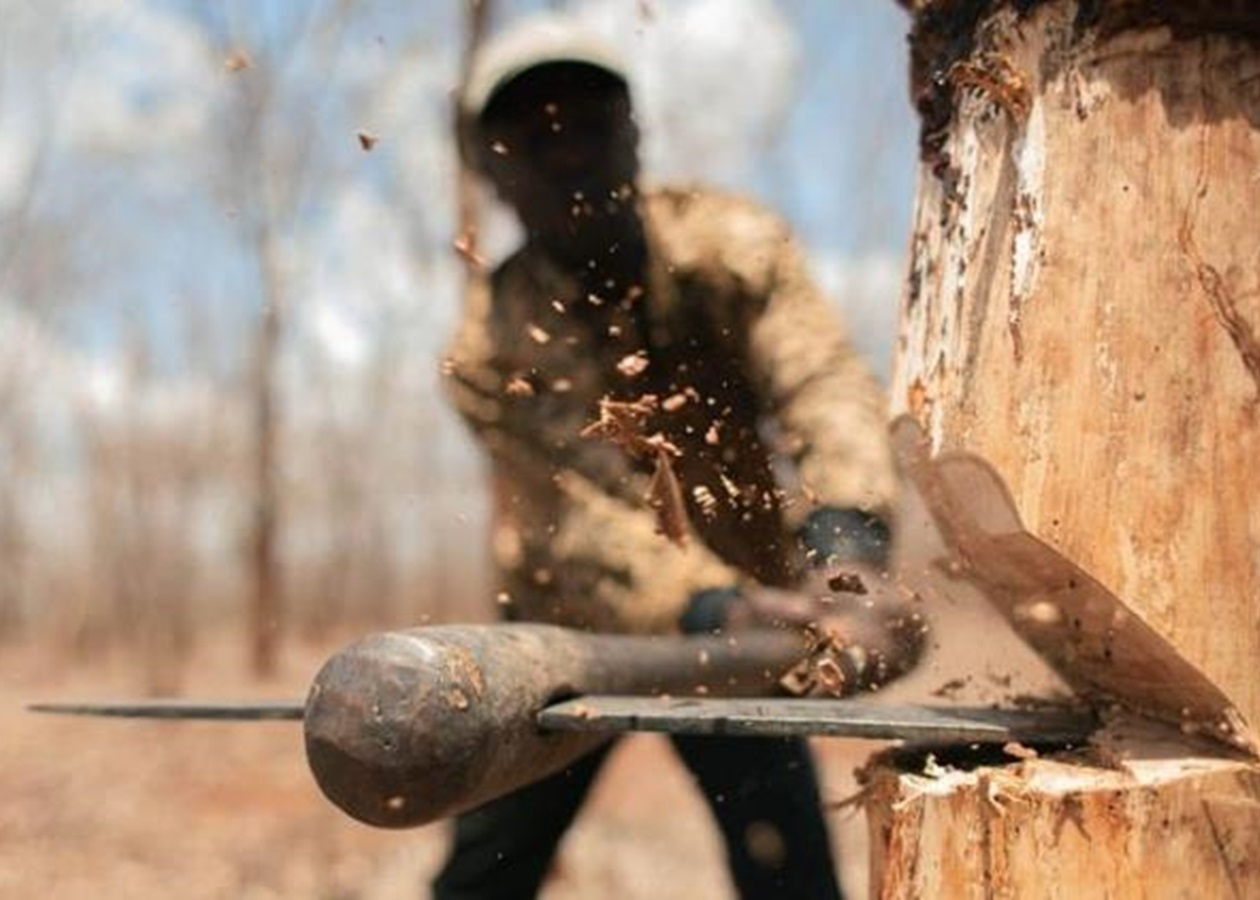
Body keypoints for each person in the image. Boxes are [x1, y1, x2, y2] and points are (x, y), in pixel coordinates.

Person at [437, 17, 925, 899]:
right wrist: (710, 606)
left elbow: (821, 383)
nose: (567, 155)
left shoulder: (729, 247)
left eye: (589, 125)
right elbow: (569, 518)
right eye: (533, 138)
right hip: (567, 634)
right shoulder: (487, 345)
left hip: (748, 617)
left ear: (633, 135)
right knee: (486, 873)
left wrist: (848, 550)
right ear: (493, 169)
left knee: (787, 868)